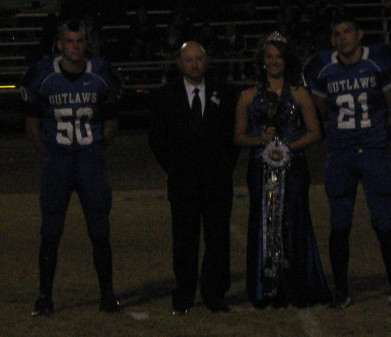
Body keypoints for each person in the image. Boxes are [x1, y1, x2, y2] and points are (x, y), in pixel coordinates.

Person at [302, 15, 391, 309]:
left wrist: (380, 141)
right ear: (332, 39)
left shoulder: (379, 61)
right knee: (339, 223)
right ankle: (342, 291)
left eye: (348, 31)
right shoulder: (323, 67)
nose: (343, 37)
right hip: (341, 152)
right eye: (337, 33)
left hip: (373, 150)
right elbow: (322, 114)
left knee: (385, 221)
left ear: (359, 34)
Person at [21, 19, 123, 316]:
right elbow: (31, 126)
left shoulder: (101, 73)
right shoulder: (42, 75)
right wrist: (51, 153)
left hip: (90, 161)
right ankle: (44, 296)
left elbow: (112, 121)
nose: (75, 47)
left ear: (85, 44)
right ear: (59, 44)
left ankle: (107, 294)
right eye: (70, 41)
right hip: (59, 162)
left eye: (79, 41)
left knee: (100, 230)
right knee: (51, 230)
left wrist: (94, 150)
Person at [234, 32, 331, 309]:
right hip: (260, 169)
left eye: (278, 57)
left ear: (287, 60)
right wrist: (261, 141)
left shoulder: (300, 94)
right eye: (269, 57)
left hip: (294, 169)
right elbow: (238, 136)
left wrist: (288, 147)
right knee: (263, 222)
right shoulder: (247, 96)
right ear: (262, 61)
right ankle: (267, 288)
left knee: (295, 222)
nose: (274, 62)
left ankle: (298, 286)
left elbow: (315, 132)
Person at [148, 41, 239, 315]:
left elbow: (232, 136)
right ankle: (184, 294)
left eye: (199, 58)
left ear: (207, 60)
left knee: (218, 239)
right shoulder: (165, 96)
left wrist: (223, 169)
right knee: (184, 240)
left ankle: (214, 293)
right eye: (189, 60)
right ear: (179, 62)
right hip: (183, 182)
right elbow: (157, 139)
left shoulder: (225, 92)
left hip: (216, 181)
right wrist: (175, 169)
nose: (195, 64)